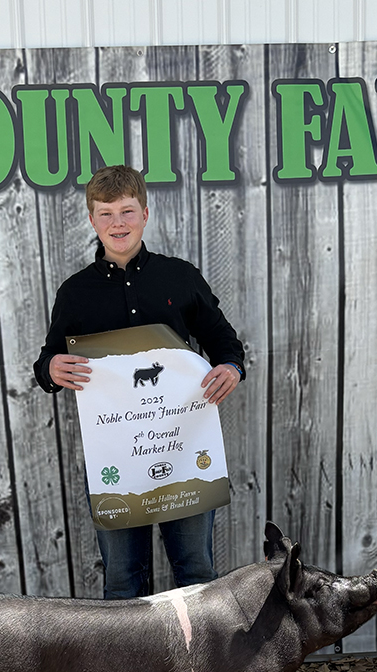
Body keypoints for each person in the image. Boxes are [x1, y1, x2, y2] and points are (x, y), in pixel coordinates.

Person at [33, 165, 246, 599]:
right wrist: (51, 368)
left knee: (196, 573)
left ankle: (198, 667)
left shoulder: (180, 276)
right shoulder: (75, 293)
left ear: (145, 214)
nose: (118, 223)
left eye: (127, 211)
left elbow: (225, 343)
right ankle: (129, 669)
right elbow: (47, 361)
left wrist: (231, 368)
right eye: (106, 214)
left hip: (183, 448)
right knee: (122, 579)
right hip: (116, 457)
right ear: (92, 220)